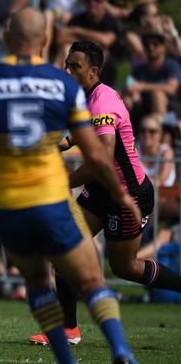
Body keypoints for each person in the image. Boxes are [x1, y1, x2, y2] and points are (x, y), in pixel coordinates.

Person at [0, 10, 140, 363]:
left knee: (39, 285)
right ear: (43, 43)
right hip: (51, 198)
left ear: (6, 39)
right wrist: (120, 193)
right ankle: (121, 349)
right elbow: (98, 155)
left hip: (8, 204)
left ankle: (66, 360)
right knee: (91, 280)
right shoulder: (64, 85)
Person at [27, 40, 181, 347]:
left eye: (74, 66)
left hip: (127, 194)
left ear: (93, 71)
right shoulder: (83, 97)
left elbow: (101, 159)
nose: (66, 70)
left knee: (125, 267)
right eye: (66, 64)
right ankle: (69, 329)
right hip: (102, 188)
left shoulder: (103, 100)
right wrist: (67, 142)